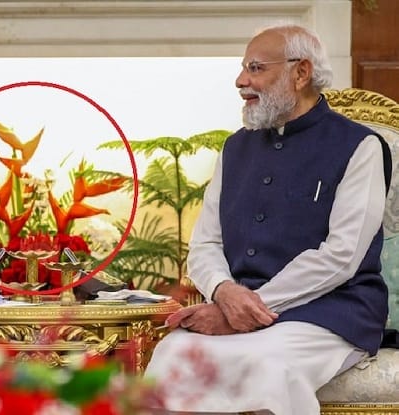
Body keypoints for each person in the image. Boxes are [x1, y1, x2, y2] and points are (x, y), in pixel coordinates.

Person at [144, 24, 391, 415]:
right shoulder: (235, 148)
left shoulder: (360, 146)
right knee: (173, 354)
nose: (241, 81)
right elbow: (206, 243)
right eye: (244, 68)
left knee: (267, 367)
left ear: (301, 72)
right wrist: (224, 291)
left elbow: (342, 256)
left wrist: (248, 309)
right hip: (238, 306)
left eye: (256, 68)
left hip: (331, 312)